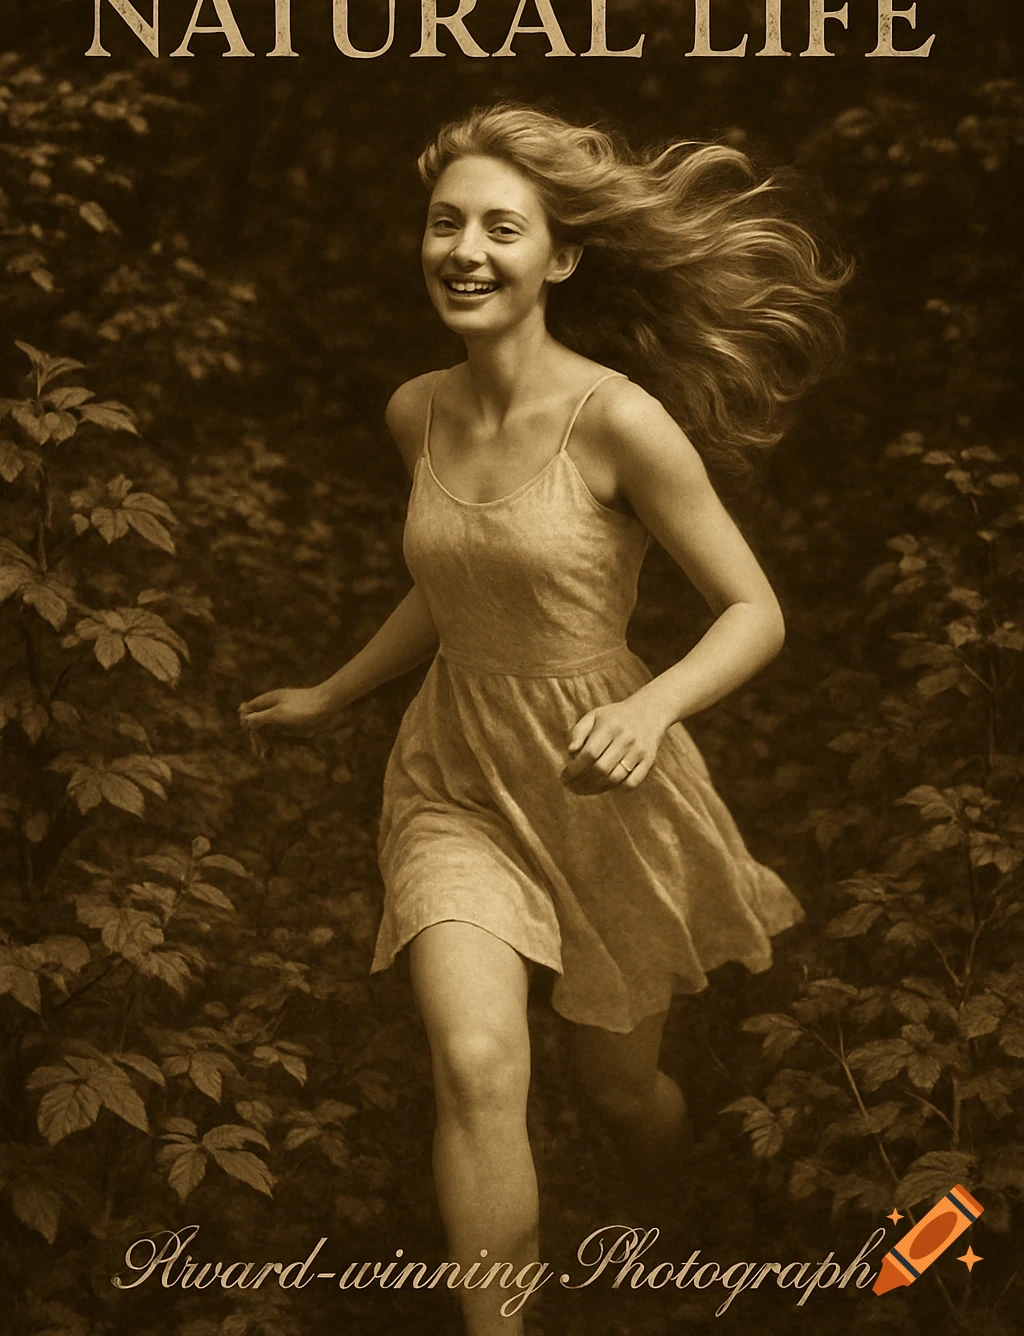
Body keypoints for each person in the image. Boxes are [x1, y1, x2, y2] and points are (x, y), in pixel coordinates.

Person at [239, 103, 848, 1335]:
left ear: (558, 258)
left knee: (625, 1098)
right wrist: (337, 691)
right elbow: (451, 584)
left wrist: (651, 704)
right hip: (454, 777)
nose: (464, 248)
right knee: (476, 1066)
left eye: (500, 227)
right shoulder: (418, 411)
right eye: (445, 221)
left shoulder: (616, 419)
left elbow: (752, 610)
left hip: (600, 783)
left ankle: (669, 1230)